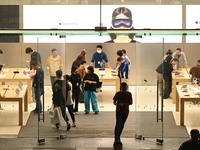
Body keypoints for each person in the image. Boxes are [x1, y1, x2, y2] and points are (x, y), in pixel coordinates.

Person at [113, 82, 133, 149]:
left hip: (123, 110)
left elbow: (131, 102)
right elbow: (114, 101)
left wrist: (121, 104)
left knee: (120, 124)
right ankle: (117, 138)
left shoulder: (127, 94)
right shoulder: (119, 93)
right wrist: (120, 105)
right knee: (119, 123)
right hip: (122, 110)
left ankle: (117, 137)